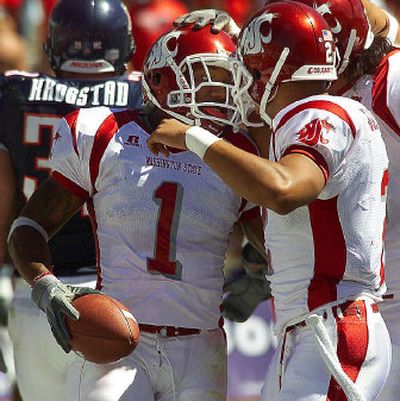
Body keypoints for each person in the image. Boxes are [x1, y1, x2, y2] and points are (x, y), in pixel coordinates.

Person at [146, 2, 392, 400]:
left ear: (274, 70)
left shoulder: (319, 112)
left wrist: (194, 137)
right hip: (311, 328)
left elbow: (284, 190)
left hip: (334, 326)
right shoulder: (319, 112)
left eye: (252, 70)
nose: (246, 83)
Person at [8, 25, 266, 401]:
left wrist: (261, 272)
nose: (221, 95)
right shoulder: (105, 134)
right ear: (161, 79)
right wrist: (44, 284)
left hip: (201, 345)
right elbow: (29, 227)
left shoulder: (235, 152)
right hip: (118, 342)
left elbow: (275, 240)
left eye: (228, 82)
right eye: (207, 81)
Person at [0, 0, 142, 400]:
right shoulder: (144, 94)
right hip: (121, 295)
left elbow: (4, 198)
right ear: (126, 46)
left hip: (38, 289)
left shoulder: (15, 92)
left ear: (53, 46)